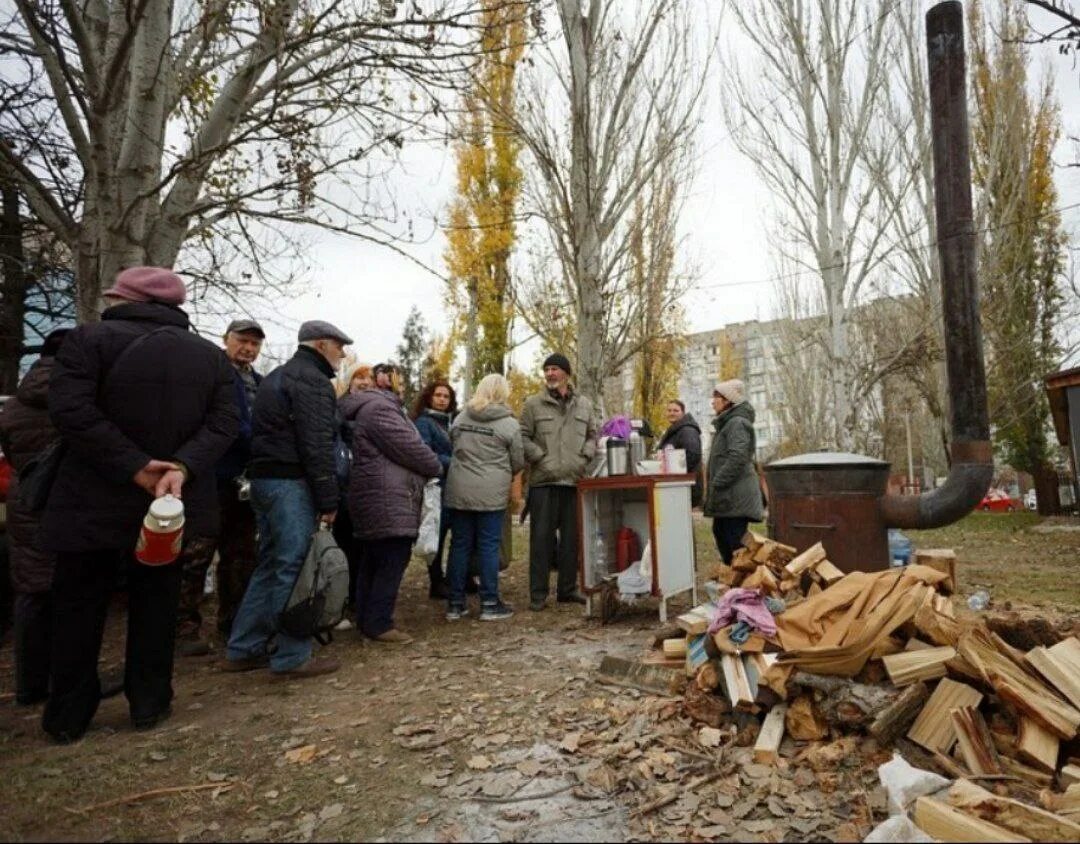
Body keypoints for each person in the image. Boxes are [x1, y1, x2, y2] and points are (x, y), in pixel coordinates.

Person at [40, 267, 239, 742]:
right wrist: (182, 468)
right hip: (169, 502)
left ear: (121, 297)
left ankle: (68, 714)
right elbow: (226, 422)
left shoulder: (87, 341)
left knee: (78, 606)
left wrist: (132, 464)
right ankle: (149, 702)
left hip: (92, 496)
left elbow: (69, 409)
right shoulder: (211, 358)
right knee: (157, 600)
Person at [224, 320, 352, 679]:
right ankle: (292, 655)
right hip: (290, 483)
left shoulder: (279, 375)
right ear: (323, 344)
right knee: (295, 568)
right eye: (339, 346)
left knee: (270, 565)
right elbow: (316, 445)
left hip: (266, 481)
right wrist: (329, 498)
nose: (342, 355)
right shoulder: (311, 381)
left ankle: (244, 646)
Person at [174, 319, 265, 656]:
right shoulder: (210, 374)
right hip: (210, 477)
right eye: (242, 341)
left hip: (246, 480)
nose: (248, 349)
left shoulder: (260, 382)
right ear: (226, 340)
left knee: (241, 554)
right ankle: (184, 627)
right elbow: (224, 424)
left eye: (255, 344)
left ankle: (234, 623)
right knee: (197, 552)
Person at [342, 363, 441, 643]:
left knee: (373, 559)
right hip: (388, 497)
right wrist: (434, 464)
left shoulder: (369, 408)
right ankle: (379, 623)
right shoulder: (380, 410)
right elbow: (413, 448)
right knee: (391, 558)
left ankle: (367, 618)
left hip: (377, 495)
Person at [0, 329, 69, 704]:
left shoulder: (14, 404)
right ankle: (67, 680)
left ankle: (29, 687)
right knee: (71, 591)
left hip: (25, 500)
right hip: (68, 501)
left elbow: (11, 453)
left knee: (31, 593)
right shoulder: (77, 398)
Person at [444, 374, 524, 621]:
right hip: (491, 492)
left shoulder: (461, 417)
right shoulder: (509, 424)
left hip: (460, 489)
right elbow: (518, 461)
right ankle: (489, 602)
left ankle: (455, 604)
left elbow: (452, 444)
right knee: (489, 546)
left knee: (459, 545)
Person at [520, 353, 596, 611]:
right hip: (544, 482)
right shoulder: (533, 404)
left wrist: (584, 456)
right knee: (540, 540)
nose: (550, 374)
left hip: (574, 481)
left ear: (566, 373)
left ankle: (567, 589)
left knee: (572, 541)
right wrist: (540, 458)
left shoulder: (584, 405)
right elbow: (523, 437)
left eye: (554, 369)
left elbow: (593, 435)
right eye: (547, 369)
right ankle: (538, 594)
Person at [703, 379, 764, 565]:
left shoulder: (737, 423)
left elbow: (737, 458)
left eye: (716, 398)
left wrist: (717, 482)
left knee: (734, 543)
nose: (713, 402)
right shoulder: (728, 423)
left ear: (728, 400)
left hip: (735, 496)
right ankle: (733, 584)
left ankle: (744, 587)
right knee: (721, 533)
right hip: (729, 496)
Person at [332, 361, 373, 627]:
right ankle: (343, 599)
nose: (365, 383)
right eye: (360, 378)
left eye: (369, 379)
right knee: (345, 545)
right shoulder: (339, 410)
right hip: (345, 485)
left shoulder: (373, 409)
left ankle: (359, 598)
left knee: (363, 546)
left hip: (368, 484)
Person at [411, 380, 456, 598]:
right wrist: (454, 462)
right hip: (436, 485)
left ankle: (458, 577)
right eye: (438, 395)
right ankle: (436, 581)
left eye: (446, 396)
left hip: (455, 486)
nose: (442, 399)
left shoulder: (452, 422)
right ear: (430, 397)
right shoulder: (424, 423)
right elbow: (425, 453)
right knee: (436, 533)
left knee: (456, 533)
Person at [658, 400, 704, 507]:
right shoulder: (675, 431)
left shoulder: (687, 431)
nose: (672, 413)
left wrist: (678, 474)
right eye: (669, 410)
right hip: (678, 484)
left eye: (676, 410)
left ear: (683, 413)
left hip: (686, 484)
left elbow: (693, 455)